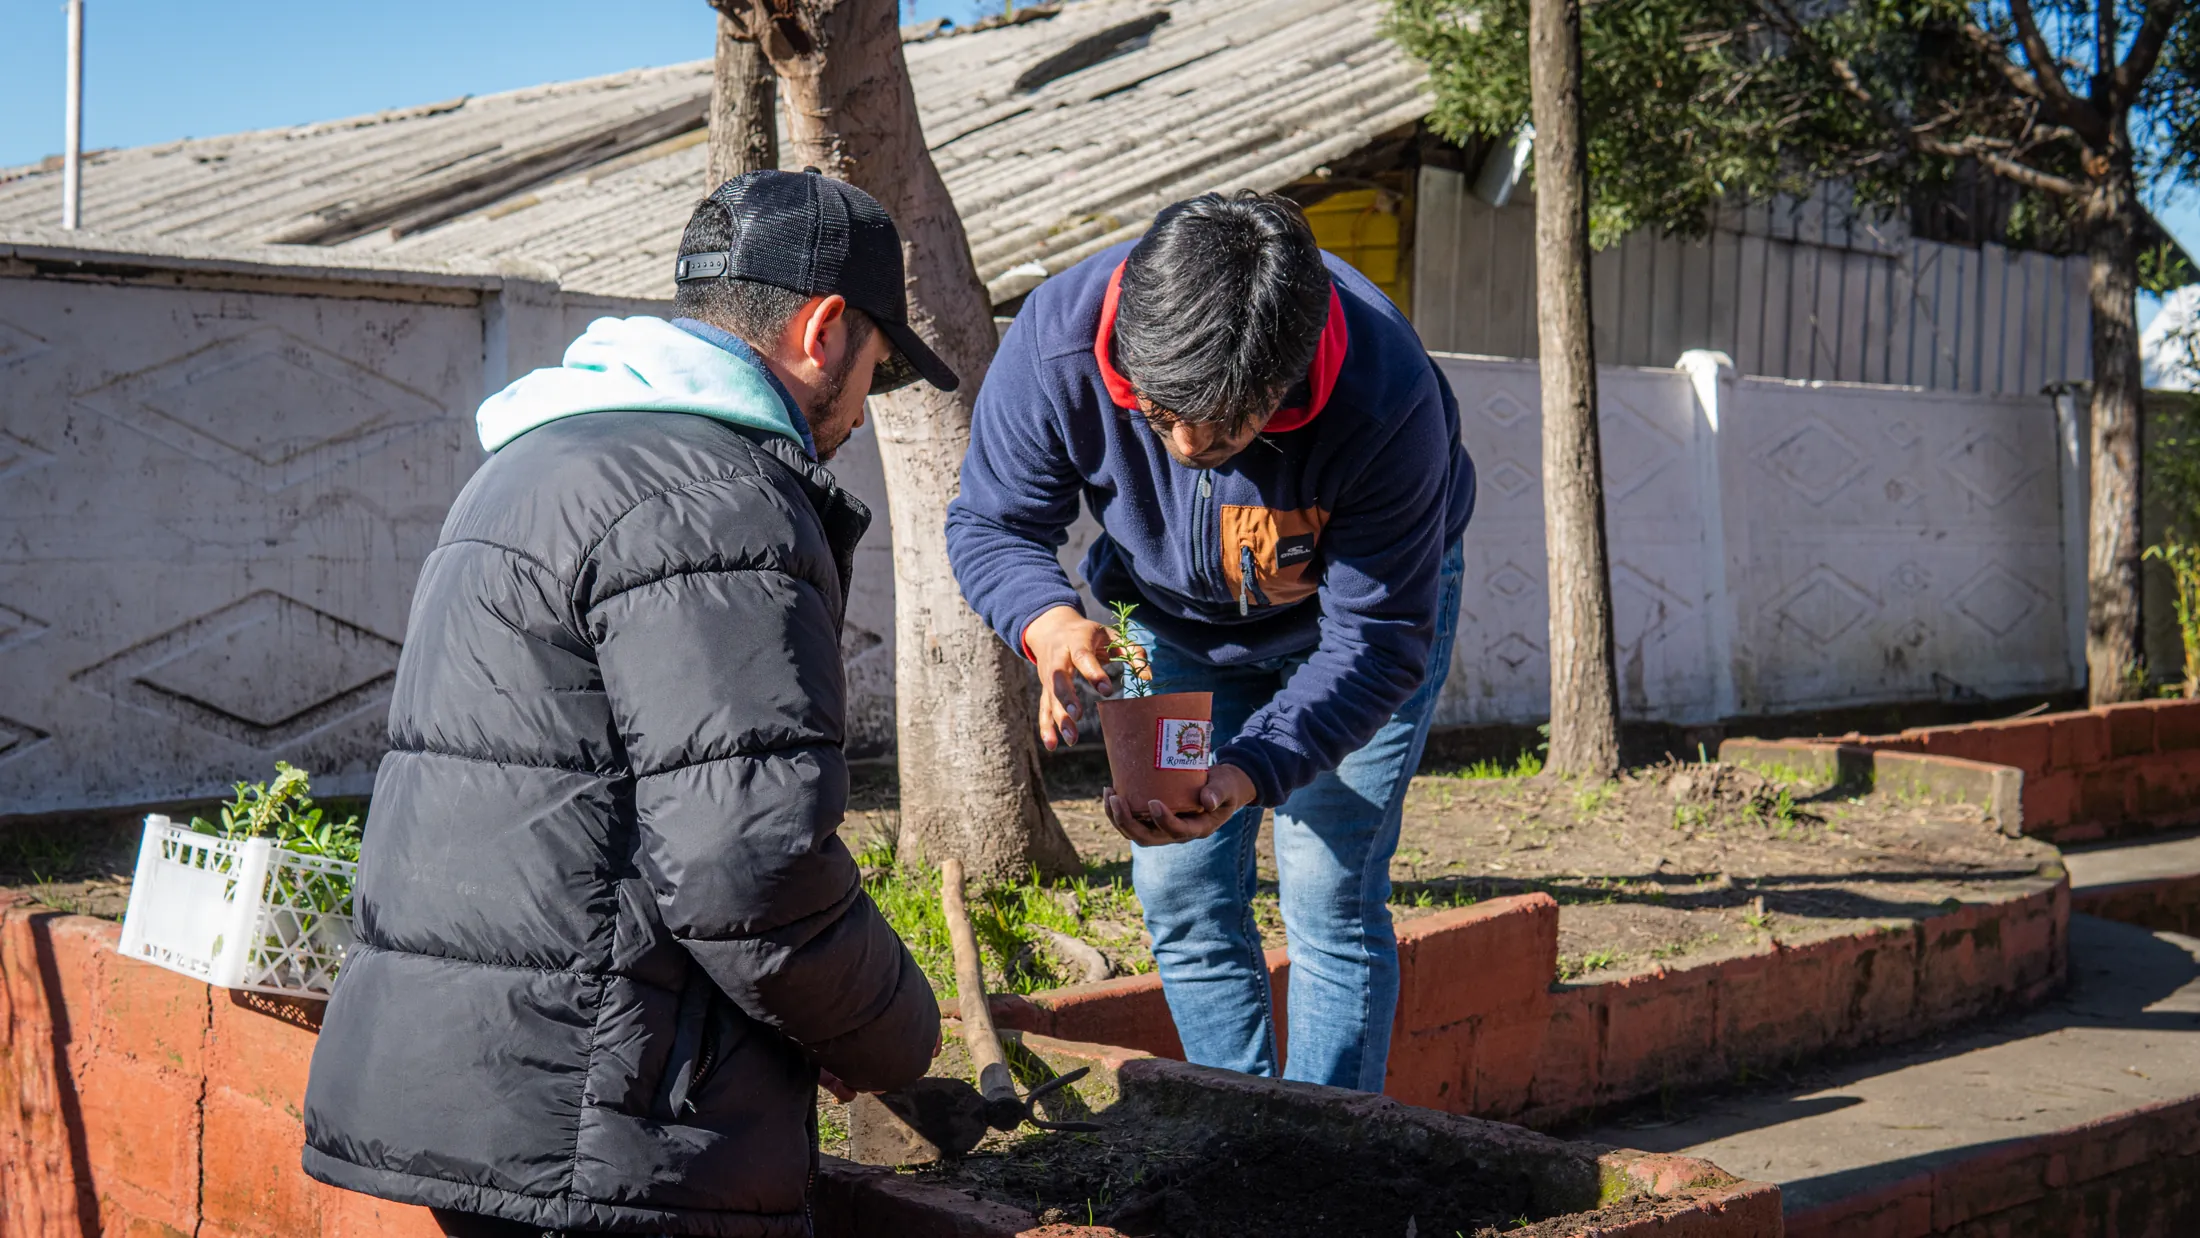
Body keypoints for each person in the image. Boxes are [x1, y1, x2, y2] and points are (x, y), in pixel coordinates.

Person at [302, 170, 949, 1237]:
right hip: (609, 1125)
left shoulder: (535, 463)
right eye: (877, 369)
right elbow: (748, 859)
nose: (861, 410)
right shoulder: (721, 502)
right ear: (827, 329)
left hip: (484, 1088)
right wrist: (887, 1033)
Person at [945, 191, 1475, 1092]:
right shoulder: (1060, 341)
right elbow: (992, 524)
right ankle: (1236, 1123)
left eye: (1231, 427)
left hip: (1351, 638)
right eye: (1159, 414)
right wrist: (1047, 620)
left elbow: (1376, 641)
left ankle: (1319, 1150)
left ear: (1292, 374)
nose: (1190, 445)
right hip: (1170, 629)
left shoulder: (1387, 397)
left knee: (1329, 892)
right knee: (1182, 888)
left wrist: (1249, 770)